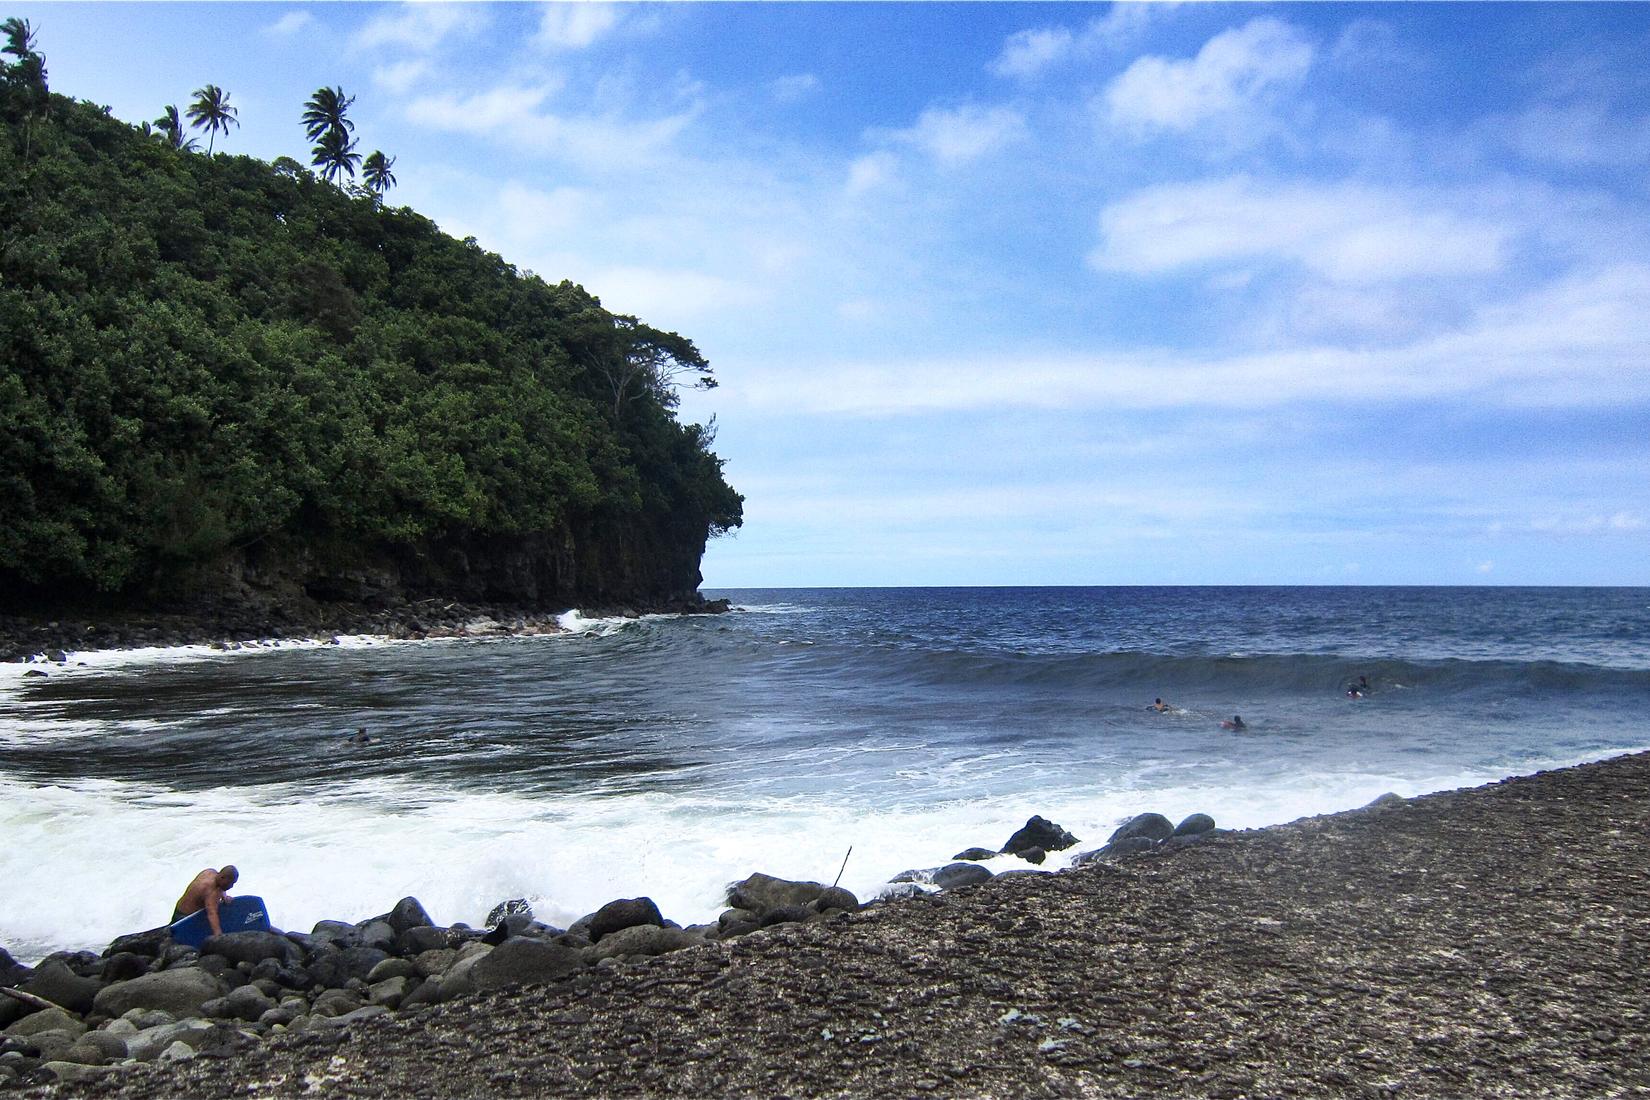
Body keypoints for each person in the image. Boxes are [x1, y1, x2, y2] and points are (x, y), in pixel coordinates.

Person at [172, 865, 238, 935]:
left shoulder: (209, 872)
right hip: (185, 918)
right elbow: (212, 914)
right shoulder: (211, 891)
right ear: (222, 877)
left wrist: (224, 896)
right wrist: (219, 935)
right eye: (229, 883)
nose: (231, 886)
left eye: (233, 883)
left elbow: (220, 886)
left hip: (178, 909)